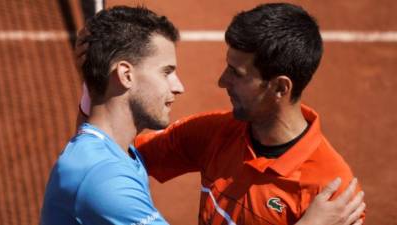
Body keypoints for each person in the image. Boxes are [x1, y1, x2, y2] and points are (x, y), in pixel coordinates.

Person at [75, 3, 365, 225]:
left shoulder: (330, 193)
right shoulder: (214, 133)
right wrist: (96, 82)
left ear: (279, 87)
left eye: (236, 73)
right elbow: (102, 152)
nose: (222, 81)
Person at [40, 6, 184, 225]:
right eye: (166, 72)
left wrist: (93, 79)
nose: (178, 87)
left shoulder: (107, 150)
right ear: (126, 75)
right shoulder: (105, 178)